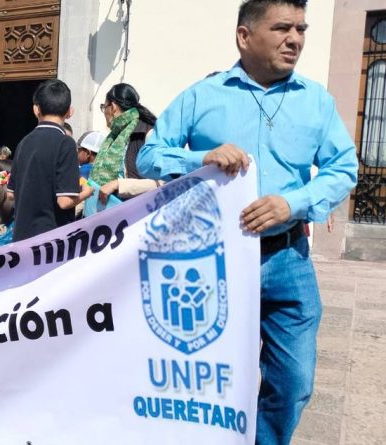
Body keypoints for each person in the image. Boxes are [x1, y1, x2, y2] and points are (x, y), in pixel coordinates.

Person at [135, 1, 358, 443]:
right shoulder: (203, 96)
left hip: (287, 257)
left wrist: (293, 203)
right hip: (211, 262)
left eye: (301, 29)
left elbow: (343, 168)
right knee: (203, 377)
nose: (295, 39)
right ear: (244, 36)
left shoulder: (315, 100)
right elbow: (150, 155)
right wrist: (200, 157)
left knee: (294, 382)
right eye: (281, 28)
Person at [7, 79, 93, 242]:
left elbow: (11, 194)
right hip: (52, 241)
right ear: (69, 112)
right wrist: (86, 193)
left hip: (21, 238)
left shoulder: (24, 142)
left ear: (36, 109)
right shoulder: (65, 143)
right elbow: (65, 201)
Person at [90, 83, 158, 187]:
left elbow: (160, 182)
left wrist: (119, 185)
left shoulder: (146, 133)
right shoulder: (113, 137)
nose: (104, 112)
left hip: (133, 202)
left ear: (113, 107)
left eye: (104, 107)